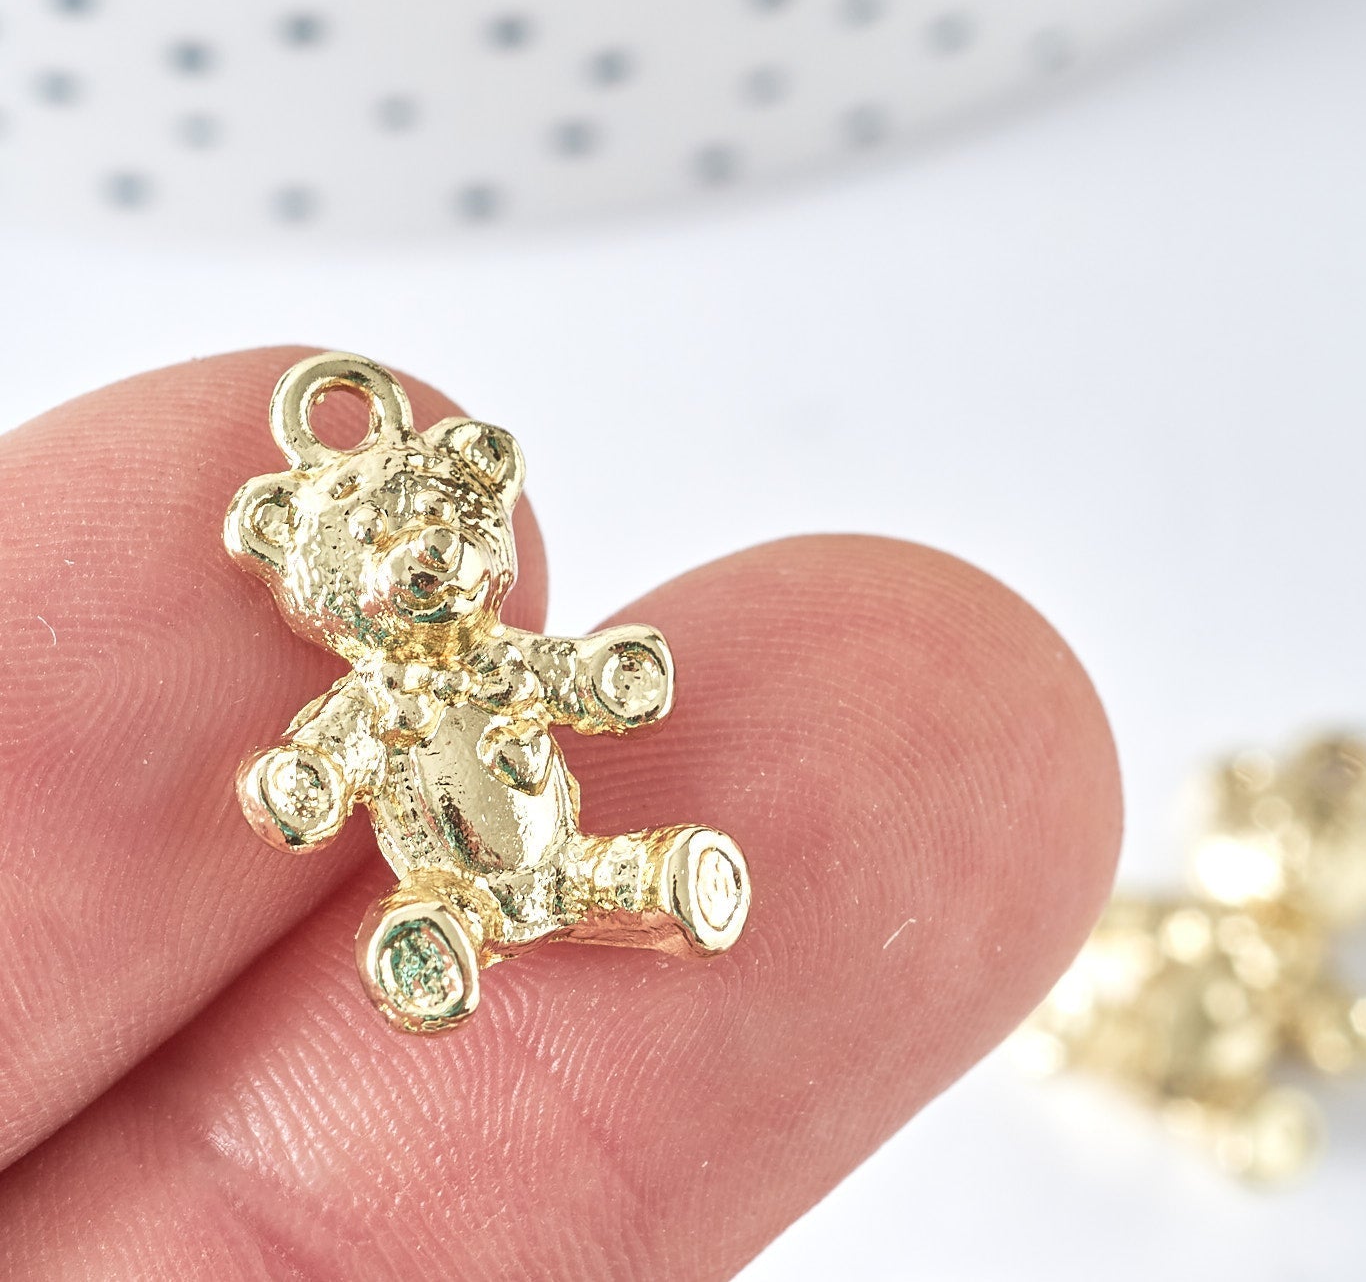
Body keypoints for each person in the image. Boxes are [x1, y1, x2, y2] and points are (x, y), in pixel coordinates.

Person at [0, 348, 1122, 1279]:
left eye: (446, 527)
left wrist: (608, 679)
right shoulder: (371, 699)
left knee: (613, 875)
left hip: (558, 854)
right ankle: (436, 944)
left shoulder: (496, 658)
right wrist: (302, 786)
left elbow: (565, 677)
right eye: (387, 544)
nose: (433, 555)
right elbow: (320, 770)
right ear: (311, 569)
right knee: (438, 918)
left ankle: (661, 883)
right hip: (452, 885)